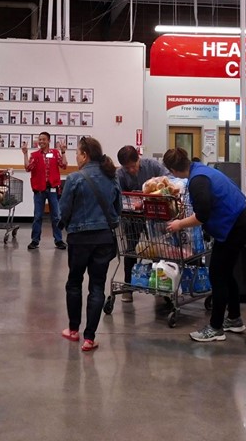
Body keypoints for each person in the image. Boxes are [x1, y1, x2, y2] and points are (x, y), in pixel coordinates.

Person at [165, 148, 246, 342]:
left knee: (218, 275)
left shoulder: (198, 180)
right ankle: (234, 319)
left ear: (172, 169)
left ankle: (215, 327)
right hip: (239, 223)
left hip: (234, 227)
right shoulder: (200, 169)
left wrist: (179, 224)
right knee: (226, 273)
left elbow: (202, 215)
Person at [58, 136, 121, 352]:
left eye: (77, 153)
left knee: (74, 282)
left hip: (79, 239)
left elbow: (63, 210)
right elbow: (117, 209)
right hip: (104, 238)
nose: (76, 156)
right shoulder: (112, 177)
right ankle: (89, 338)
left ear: (84, 155)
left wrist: (65, 226)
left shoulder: (75, 179)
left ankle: (73, 330)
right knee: (97, 286)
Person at [115, 145, 169, 302]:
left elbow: (168, 180)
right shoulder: (120, 174)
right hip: (133, 216)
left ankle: (161, 285)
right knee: (131, 250)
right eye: (127, 167)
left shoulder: (153, 165)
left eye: (133, 166)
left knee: (159, 249)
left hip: (155, 215)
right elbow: (120, 196)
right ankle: (128, 286)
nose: (131, 170)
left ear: (138, 158)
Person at [23, 131, 68, 250]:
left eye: (43, 139)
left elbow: (64, 165)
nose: (41, 141)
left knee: (56, 216)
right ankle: (35, 240)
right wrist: (25, 154)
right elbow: (28, 168)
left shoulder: (55, 153)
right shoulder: (34, 155)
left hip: (53, 188)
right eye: (40, 139)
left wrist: (63, 152)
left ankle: (58, 240)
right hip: (39, 190)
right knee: (38, 216)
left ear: (48, 141)